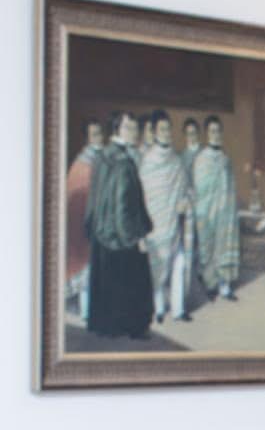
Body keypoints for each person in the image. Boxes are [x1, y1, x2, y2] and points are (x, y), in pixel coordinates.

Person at [84, 109, 153, 339]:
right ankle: (132, 329)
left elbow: (93, 200)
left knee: (107, 284)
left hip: (101, 235)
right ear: (117, 129)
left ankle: (107, 327)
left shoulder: (101, 156)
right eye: (128, 128)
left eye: (135, 128)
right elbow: (123, 205)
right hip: (121, 236)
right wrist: (135, 238)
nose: (134, 132)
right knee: (133, 282)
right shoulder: (124, 162)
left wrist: (93, 228)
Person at [139, 109, 195, 323]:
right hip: (156, 223)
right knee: (158, 267)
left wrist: (185, 200)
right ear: (154, 132)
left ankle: (179, 310)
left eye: (168, 129)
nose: (166, 133)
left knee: (179, 264)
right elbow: (144, 194)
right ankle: (159, 308)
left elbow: (186, 187)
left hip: (175, 222)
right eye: (162, 129)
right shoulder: (148, 162)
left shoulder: (176, 160)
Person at [192, 115, 240, 300]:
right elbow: (199, 187)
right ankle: (210, 283)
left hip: (224, 211)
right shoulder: (201, 159)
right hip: (206, 211)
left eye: (218, 131)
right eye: (212, 131)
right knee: (207, 247)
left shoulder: (226, 159)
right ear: (206, 134)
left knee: (224, 245)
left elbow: (230, 186)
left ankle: (224, 286)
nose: (216, 134)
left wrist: (228, 207)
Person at [65, 118, 106, 321]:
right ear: (87, 139)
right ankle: (86, 312)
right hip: (84, 225)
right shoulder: (81, 165)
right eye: (94, 135)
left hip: (102, 224)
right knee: (85, 272)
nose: (99, 138)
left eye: (100, 133)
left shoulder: (105, 160)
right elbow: (74, 194)